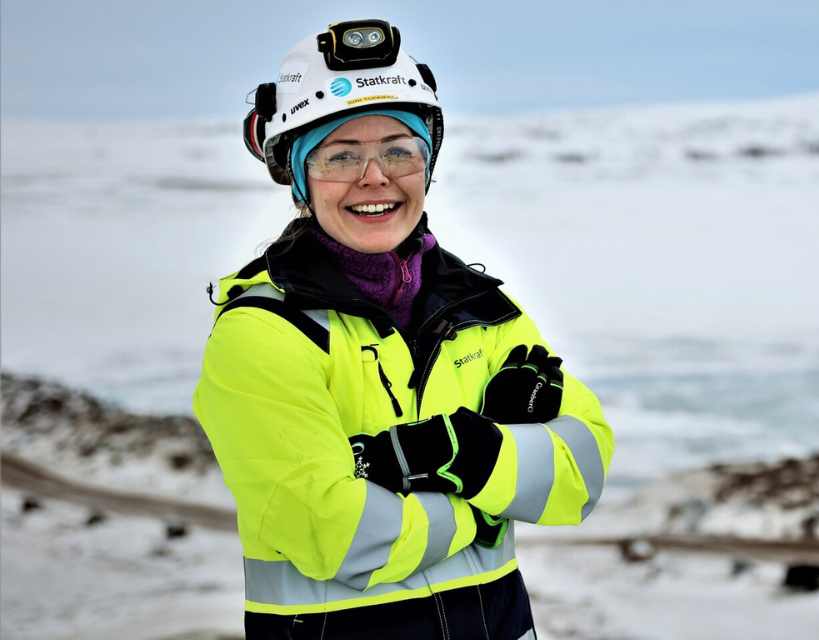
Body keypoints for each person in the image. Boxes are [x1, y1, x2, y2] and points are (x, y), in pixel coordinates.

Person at [193, 19, 612, 640]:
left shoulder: (483, 311)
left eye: (399, 149)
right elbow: (338, 536)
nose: (375, 177)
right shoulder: (265, 333)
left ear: (427, 163)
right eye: (339, 155)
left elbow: (582, 472)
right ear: (300, 178)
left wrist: (462, 454)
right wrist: (493, 491)